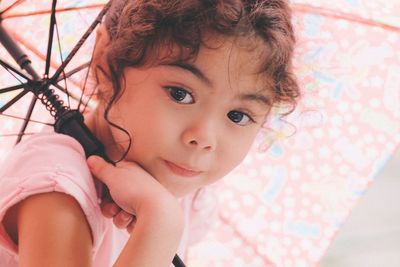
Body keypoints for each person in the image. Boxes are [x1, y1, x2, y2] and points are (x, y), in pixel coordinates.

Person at [0, 0, 300, 266]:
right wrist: (159, 228)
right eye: (180, 94)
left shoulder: (182, 183)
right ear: (105, 62)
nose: (204, 138)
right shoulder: (56, 192)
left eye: (238, 115)